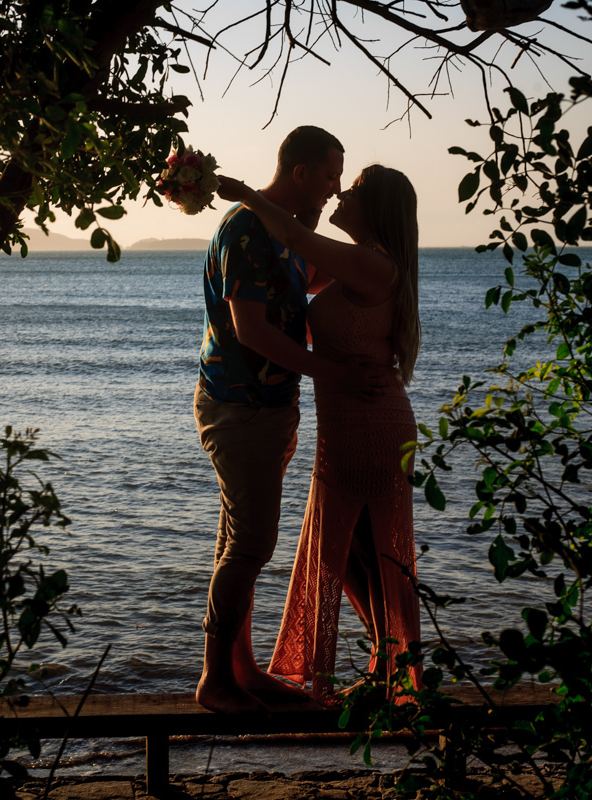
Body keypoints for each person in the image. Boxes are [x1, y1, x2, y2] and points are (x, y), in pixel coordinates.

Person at [216, 164, 424, 705]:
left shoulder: (371, 263)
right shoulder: (358, 264)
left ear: (374, 208)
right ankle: (388, 668)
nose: (340, 192)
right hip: (350, 423)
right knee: (356, 557)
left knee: (367, 555)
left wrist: (244, 195)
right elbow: (293, 260)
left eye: (351, 189)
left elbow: (292, 236)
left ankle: (390, 675)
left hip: (370, 424)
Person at [195, 125, 378, 715]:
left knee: (237, 542)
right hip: (241, 405)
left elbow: (308, 287)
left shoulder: (282, 234)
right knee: (252, 543)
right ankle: (215, 682)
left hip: (267, 407)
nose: (333, 188)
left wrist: (360, 245)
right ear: (300, 173)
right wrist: (335, 371)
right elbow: (253, 329)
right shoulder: (247, 229)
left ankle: (241, 671)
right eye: (329, 176)